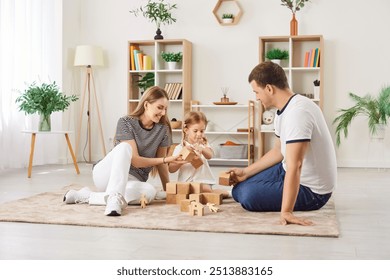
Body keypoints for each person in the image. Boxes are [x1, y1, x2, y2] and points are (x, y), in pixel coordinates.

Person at [229, 61, 337, 226]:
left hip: (313, 191)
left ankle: (287, 202)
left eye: (256, 92)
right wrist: (245, 172)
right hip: (288, 170)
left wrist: (286, 211)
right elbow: (279, 151)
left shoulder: (298, 113)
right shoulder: (282, 111)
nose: (256, 97)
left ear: (269, 89)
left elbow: (296, 165)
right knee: (238, 188)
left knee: (246, 196)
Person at [63, 86, 181, 216]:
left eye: (165, 109)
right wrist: (166, 159)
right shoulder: (126, 122)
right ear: (146, 105)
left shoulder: (163, 129)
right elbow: (135, 161)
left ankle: (88, 196)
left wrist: (168, 191)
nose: (163, 113)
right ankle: (114, 198)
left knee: (150, 192)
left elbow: (161, 165)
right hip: (107, 174)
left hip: (133, 180)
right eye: (160, 107)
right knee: (125, 148)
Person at [168, 111, 231, 198]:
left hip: (203, 181)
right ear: (186, 130)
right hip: (186, 181)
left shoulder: (203, 144)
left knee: (205, 190)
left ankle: (228, 193)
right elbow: (171, 169)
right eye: (195, 131)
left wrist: (202, 149)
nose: (199, 134)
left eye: (202, 131)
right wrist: (182, 160)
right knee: (183, 193)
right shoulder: (180, 147)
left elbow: (210, 155)